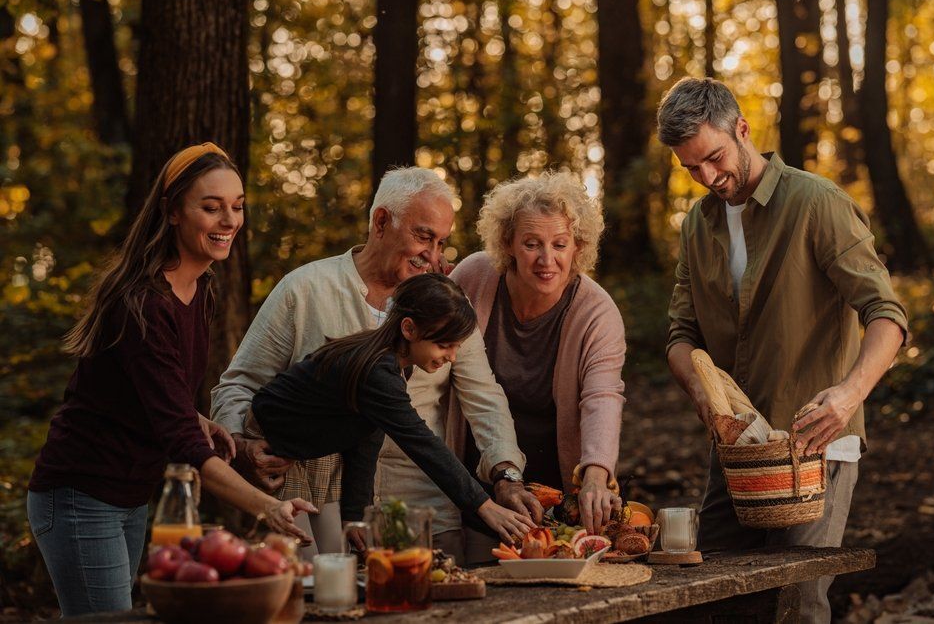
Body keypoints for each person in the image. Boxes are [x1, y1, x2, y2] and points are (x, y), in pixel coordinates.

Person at [27, 144, 316, 617]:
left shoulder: (201, 288)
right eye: (211, 207)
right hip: (82, 491)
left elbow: (150, 388)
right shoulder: (143, 304)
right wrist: (266, 507)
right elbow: (180, 440)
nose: (229, 220)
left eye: (237, 206)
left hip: (131, 493)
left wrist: (197, 417)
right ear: (173, 211)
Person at [657, 78, 908, 624]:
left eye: (714, 158)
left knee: (796, 605)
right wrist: (702, 393)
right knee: (715, 596)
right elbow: (681, 336)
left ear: (743, 130)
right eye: (691, 168)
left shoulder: (817, 202)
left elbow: (886, 314)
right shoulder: (697, 226)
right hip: (737, 451)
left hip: (815, 446)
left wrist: (848, 396)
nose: (707, 178)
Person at [212, 166, 537, 563]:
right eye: (424, 236)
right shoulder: (305, 289)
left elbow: (484, 398)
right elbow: (238, 384)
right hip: (314, 495)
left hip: (424, 506)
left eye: (441, 242)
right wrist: (240, 447)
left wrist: (506, 472)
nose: (434, 255)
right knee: (323, 591)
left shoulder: (447, 307)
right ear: (381, 221)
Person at [245, 273, 534, 544]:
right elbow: (422, 444)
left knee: (336, 557)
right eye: (445, 345)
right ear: (409, 329)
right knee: (313, 566)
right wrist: (484, 506)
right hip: (281, 454)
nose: (452, 357)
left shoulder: (390, 366)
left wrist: (355, 514)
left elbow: (366, 436)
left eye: (456, 347)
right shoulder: (376, 371)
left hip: (311, 453)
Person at [448, 170, 627, 561]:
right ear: (508, 243)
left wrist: (596, 474)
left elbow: (602, 396)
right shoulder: (473, 279)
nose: (547, 260)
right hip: (476, 482)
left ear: (578, 246)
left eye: (560, 244)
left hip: (554, 491)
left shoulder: (596, 312)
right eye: (531, 244)